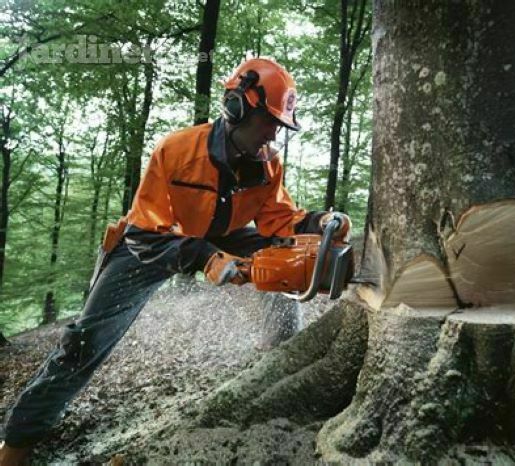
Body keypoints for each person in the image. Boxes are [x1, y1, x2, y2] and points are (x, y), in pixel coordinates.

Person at [0, 57, 350, 464]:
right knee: (83, 341)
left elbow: (277, 218)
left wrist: (318, 221)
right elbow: (149, 230)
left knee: (280, 262)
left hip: (222, 232)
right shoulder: (178, 150)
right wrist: (205, 257)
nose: (274, 134)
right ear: (238, 107)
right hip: (150, 243)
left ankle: (276, 362)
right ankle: (17, 443)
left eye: (279, 125)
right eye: (269, 122)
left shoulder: (267, 163)